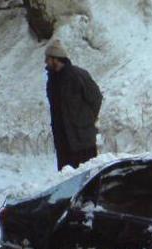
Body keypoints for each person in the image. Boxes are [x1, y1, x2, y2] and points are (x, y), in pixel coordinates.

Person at [45, 39, 102, 171]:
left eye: (48, 58)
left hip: (82, 141)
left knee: (88, 176)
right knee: (66, 178)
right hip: (63, 142)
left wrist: (87, 120)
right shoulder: (51, 81)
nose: (45, 62)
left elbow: (96, 98)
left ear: (56, 59)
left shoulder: (78, 75)